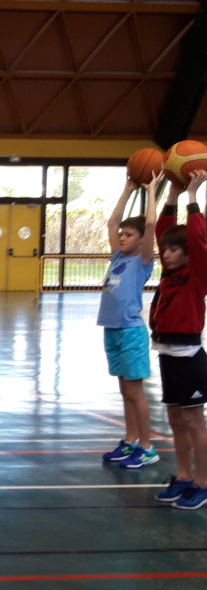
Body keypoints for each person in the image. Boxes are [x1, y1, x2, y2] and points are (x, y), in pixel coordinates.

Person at [149, 170, 207, 510]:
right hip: (167, 352)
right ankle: (184, 476)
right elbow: (162, 232)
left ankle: (203, 481)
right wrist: (171, 194)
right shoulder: (169, 274)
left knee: (193, 421)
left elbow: (199, 242)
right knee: (175, 419)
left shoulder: (197, 275)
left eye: (174, 250)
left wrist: (193, 198)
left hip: (189, 356)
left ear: (187, 254)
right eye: (166, 250)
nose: (166, 254)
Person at [98, 173, 162, 467]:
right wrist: (126, 190)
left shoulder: (142, 260)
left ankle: (147, 447)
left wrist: (150, 191)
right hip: (112, 329)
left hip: (131, 331)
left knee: (136, 393)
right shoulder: (117, 257)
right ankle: (130, 440)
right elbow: (112, 223)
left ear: (141, 242)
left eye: (128, 235)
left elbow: (150, 225)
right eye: (122, 235)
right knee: (125, 391)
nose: (122, 237)